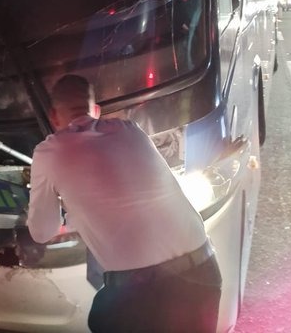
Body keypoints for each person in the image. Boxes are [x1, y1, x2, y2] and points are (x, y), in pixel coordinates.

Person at [27, 74, 222, 333]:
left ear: (53, 116)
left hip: (141, 293)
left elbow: (42, 232)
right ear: (96, 110)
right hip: (203, 271)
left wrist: (64, 203)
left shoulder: (48, 153)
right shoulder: (131, 130)